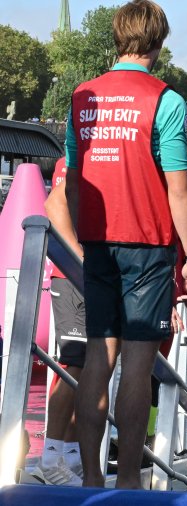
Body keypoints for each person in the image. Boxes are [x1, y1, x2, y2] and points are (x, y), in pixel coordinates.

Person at [65, 0, 187, 489]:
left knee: (97, 362)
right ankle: (126, 484)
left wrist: (86, 237)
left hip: (98, 242)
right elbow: (179, 188)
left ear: (117, 38)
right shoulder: (165, 100)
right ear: (159, 43)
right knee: (138, 368)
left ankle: (90, 482)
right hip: (147, 245)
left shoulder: (83, 98)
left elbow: (74, 183)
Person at [37, 157, 85, 486]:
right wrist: (80, 256)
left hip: (88, 276)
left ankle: (70, 455)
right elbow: (55, 204)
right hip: (69, 275)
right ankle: (51, 458)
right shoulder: (70, 159)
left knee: (90, 367)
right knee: (73, 365)